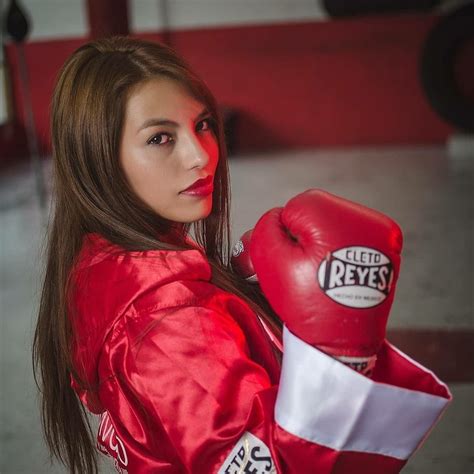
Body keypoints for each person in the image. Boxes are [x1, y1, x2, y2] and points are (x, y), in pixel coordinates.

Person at [32, 36, 451, 474]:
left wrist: (231, 295)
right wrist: (339, 357)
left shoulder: (99, 263)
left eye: (203, 125)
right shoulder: (167, 325)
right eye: (160, 138)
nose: (200, 156)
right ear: (97, 158)